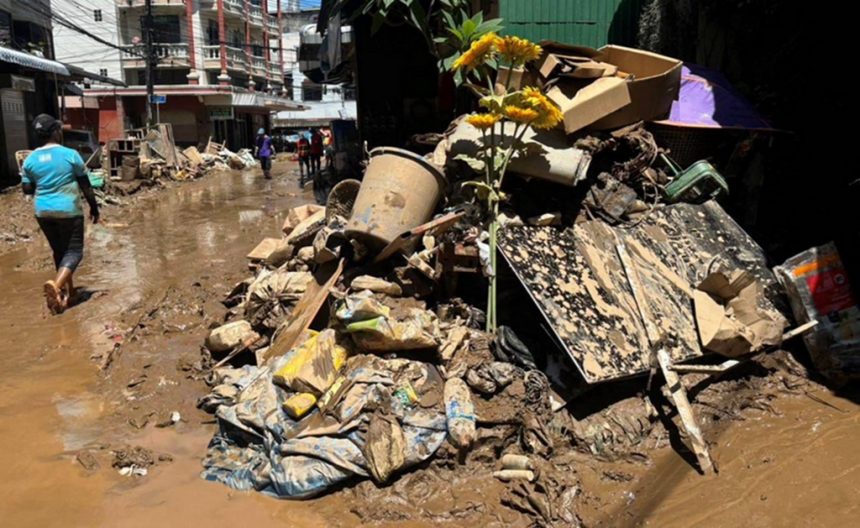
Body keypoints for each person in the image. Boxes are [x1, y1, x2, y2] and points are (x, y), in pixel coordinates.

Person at [21, 114, 100, 314]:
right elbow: (86, 186)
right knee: (74, 252)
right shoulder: (70, 155)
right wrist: (94, 207)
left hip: (43, 212)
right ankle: (56, 286)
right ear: (56, 132)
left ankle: (69, 292)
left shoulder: (29, 160)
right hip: (68, 209)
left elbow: (28, 189)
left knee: (60, 251)